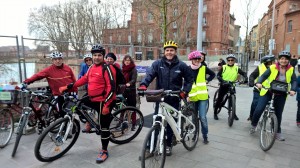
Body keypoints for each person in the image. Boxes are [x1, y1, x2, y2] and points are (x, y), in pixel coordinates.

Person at [60, 44, 116, 163]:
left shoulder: (107, 68)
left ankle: (104, 150)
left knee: (104, 127)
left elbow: (112, 88)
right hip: (92, 97)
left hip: (104, 100)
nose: (96, 57)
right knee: (78, 104)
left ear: (103, 56)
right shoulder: (91, 67)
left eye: (99, 55)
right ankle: (90, 122)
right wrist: (70, 86)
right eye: (94, 55)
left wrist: (106, 105)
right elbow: (84, 79)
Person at [138, 40, 193, 156]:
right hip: (160, 98)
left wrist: (185, 91)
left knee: (170, 123)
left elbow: (189, 79)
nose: (169, 52)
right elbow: (149, 75)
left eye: (172, 50)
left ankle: (168, 145)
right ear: (164, 52)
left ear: (175, 51)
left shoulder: (181, 65)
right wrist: (143, 85)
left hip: (174, 98)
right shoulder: (158, 64)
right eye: (167, 50)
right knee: (156, 121)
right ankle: (150, 148)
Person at [23, 51, 77, 132]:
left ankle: (72, 125)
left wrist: (75, 92)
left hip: (70, 94)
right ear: (52, 60)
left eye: (59, 59)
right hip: (58, 94)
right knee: (62, 113)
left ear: (62, 59)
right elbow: (37, 76)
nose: (57, 61)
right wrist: (27, 82)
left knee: (71, 112)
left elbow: (74, 80)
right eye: (55, 59)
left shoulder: (68, 69)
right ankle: (65, 129)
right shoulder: (49, 70)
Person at [250, 51, 296, 141]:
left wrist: (293, 89)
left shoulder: (291, 69)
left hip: (282, 93)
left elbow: (294, 80)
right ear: (279, 59)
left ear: (288, 60)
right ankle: (254, 125)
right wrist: (259, 82)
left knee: (278, 113)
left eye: (286, 59)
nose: (284, 60)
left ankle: (277, 132)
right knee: (259, 108)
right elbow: (263, 76)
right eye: (282, 58)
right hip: (268, 90)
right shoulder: (273, 67)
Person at [187, 50, 215, 144]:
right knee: (194, 117)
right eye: (195, 59)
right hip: (193, 97)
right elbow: (185, 82)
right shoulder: (187, 69)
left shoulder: (204, 68)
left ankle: (205, 135)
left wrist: (207, 80)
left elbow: (213, 74)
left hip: (203, 97)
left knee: (202, 117)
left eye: (199, 58)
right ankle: (195, 135)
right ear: (191, 59)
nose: (197, 60)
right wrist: (187, 95)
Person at [214, 54, 248, 120]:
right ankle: (215, 112)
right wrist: (222, 81)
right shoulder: (224, 67)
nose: (230, 61)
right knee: (219, 99)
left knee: (233, 100)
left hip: (232, 85)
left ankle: (233, 114)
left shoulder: (236, 68)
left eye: (232, 60)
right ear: (227, 61)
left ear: (234, 61)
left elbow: (243, 73)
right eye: (229, 60)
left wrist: (246, 78)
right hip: (224, 85)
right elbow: (218, 75)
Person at [248, 55, 275, 121]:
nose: (272, 64)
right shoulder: (260, 68)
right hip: (259, 89)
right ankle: (252, 116)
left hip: (270, 90)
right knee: (255, 103)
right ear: (265, 63)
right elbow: (252, 75)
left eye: (272, 62)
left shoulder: (275, 68)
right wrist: (251, 82)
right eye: (270, 63)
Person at [121, 54, 138, 130]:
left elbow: (134, 79)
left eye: (128, 60)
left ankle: (134, 123)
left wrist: (129, 83)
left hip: (131, 90)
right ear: (124, 61)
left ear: (130, 61)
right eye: (126, 60)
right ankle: (121, 121)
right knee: (122, 107)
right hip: (124, 90)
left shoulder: (133, 69)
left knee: (132, 107)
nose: (127, 62)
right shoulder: (123, 69)